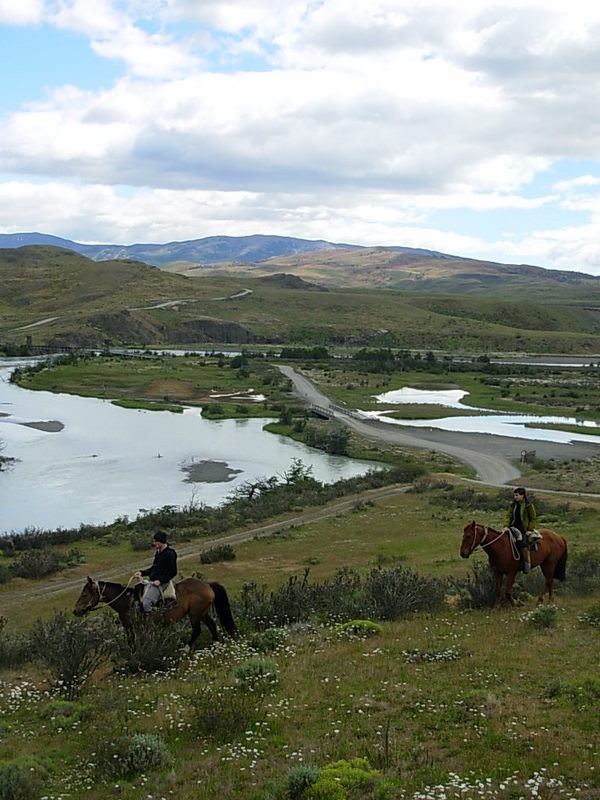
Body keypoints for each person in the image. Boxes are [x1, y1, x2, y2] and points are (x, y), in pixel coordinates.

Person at [134, 530, 178, 614]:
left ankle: (151, 623)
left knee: (146, 603)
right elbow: (154, 568)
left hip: (162, 583)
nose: (154, 543)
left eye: (155, 541)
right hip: (153, 581)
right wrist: (141, 573)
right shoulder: (158, 553)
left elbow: (173, 572)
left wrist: (160, 580)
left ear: (161, 541)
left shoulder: (170, 554)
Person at [504, 487, 537, 573]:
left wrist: (529, 529)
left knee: (523, 544)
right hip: (512, 527)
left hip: (523, 529)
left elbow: (533, 518)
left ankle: (527, 565)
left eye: (517, 495)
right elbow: (508, 516)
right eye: (514, 495)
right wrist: (506, 526)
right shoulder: (513, 505)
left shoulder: (528, 505)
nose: (515, 497)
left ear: (522, 495)